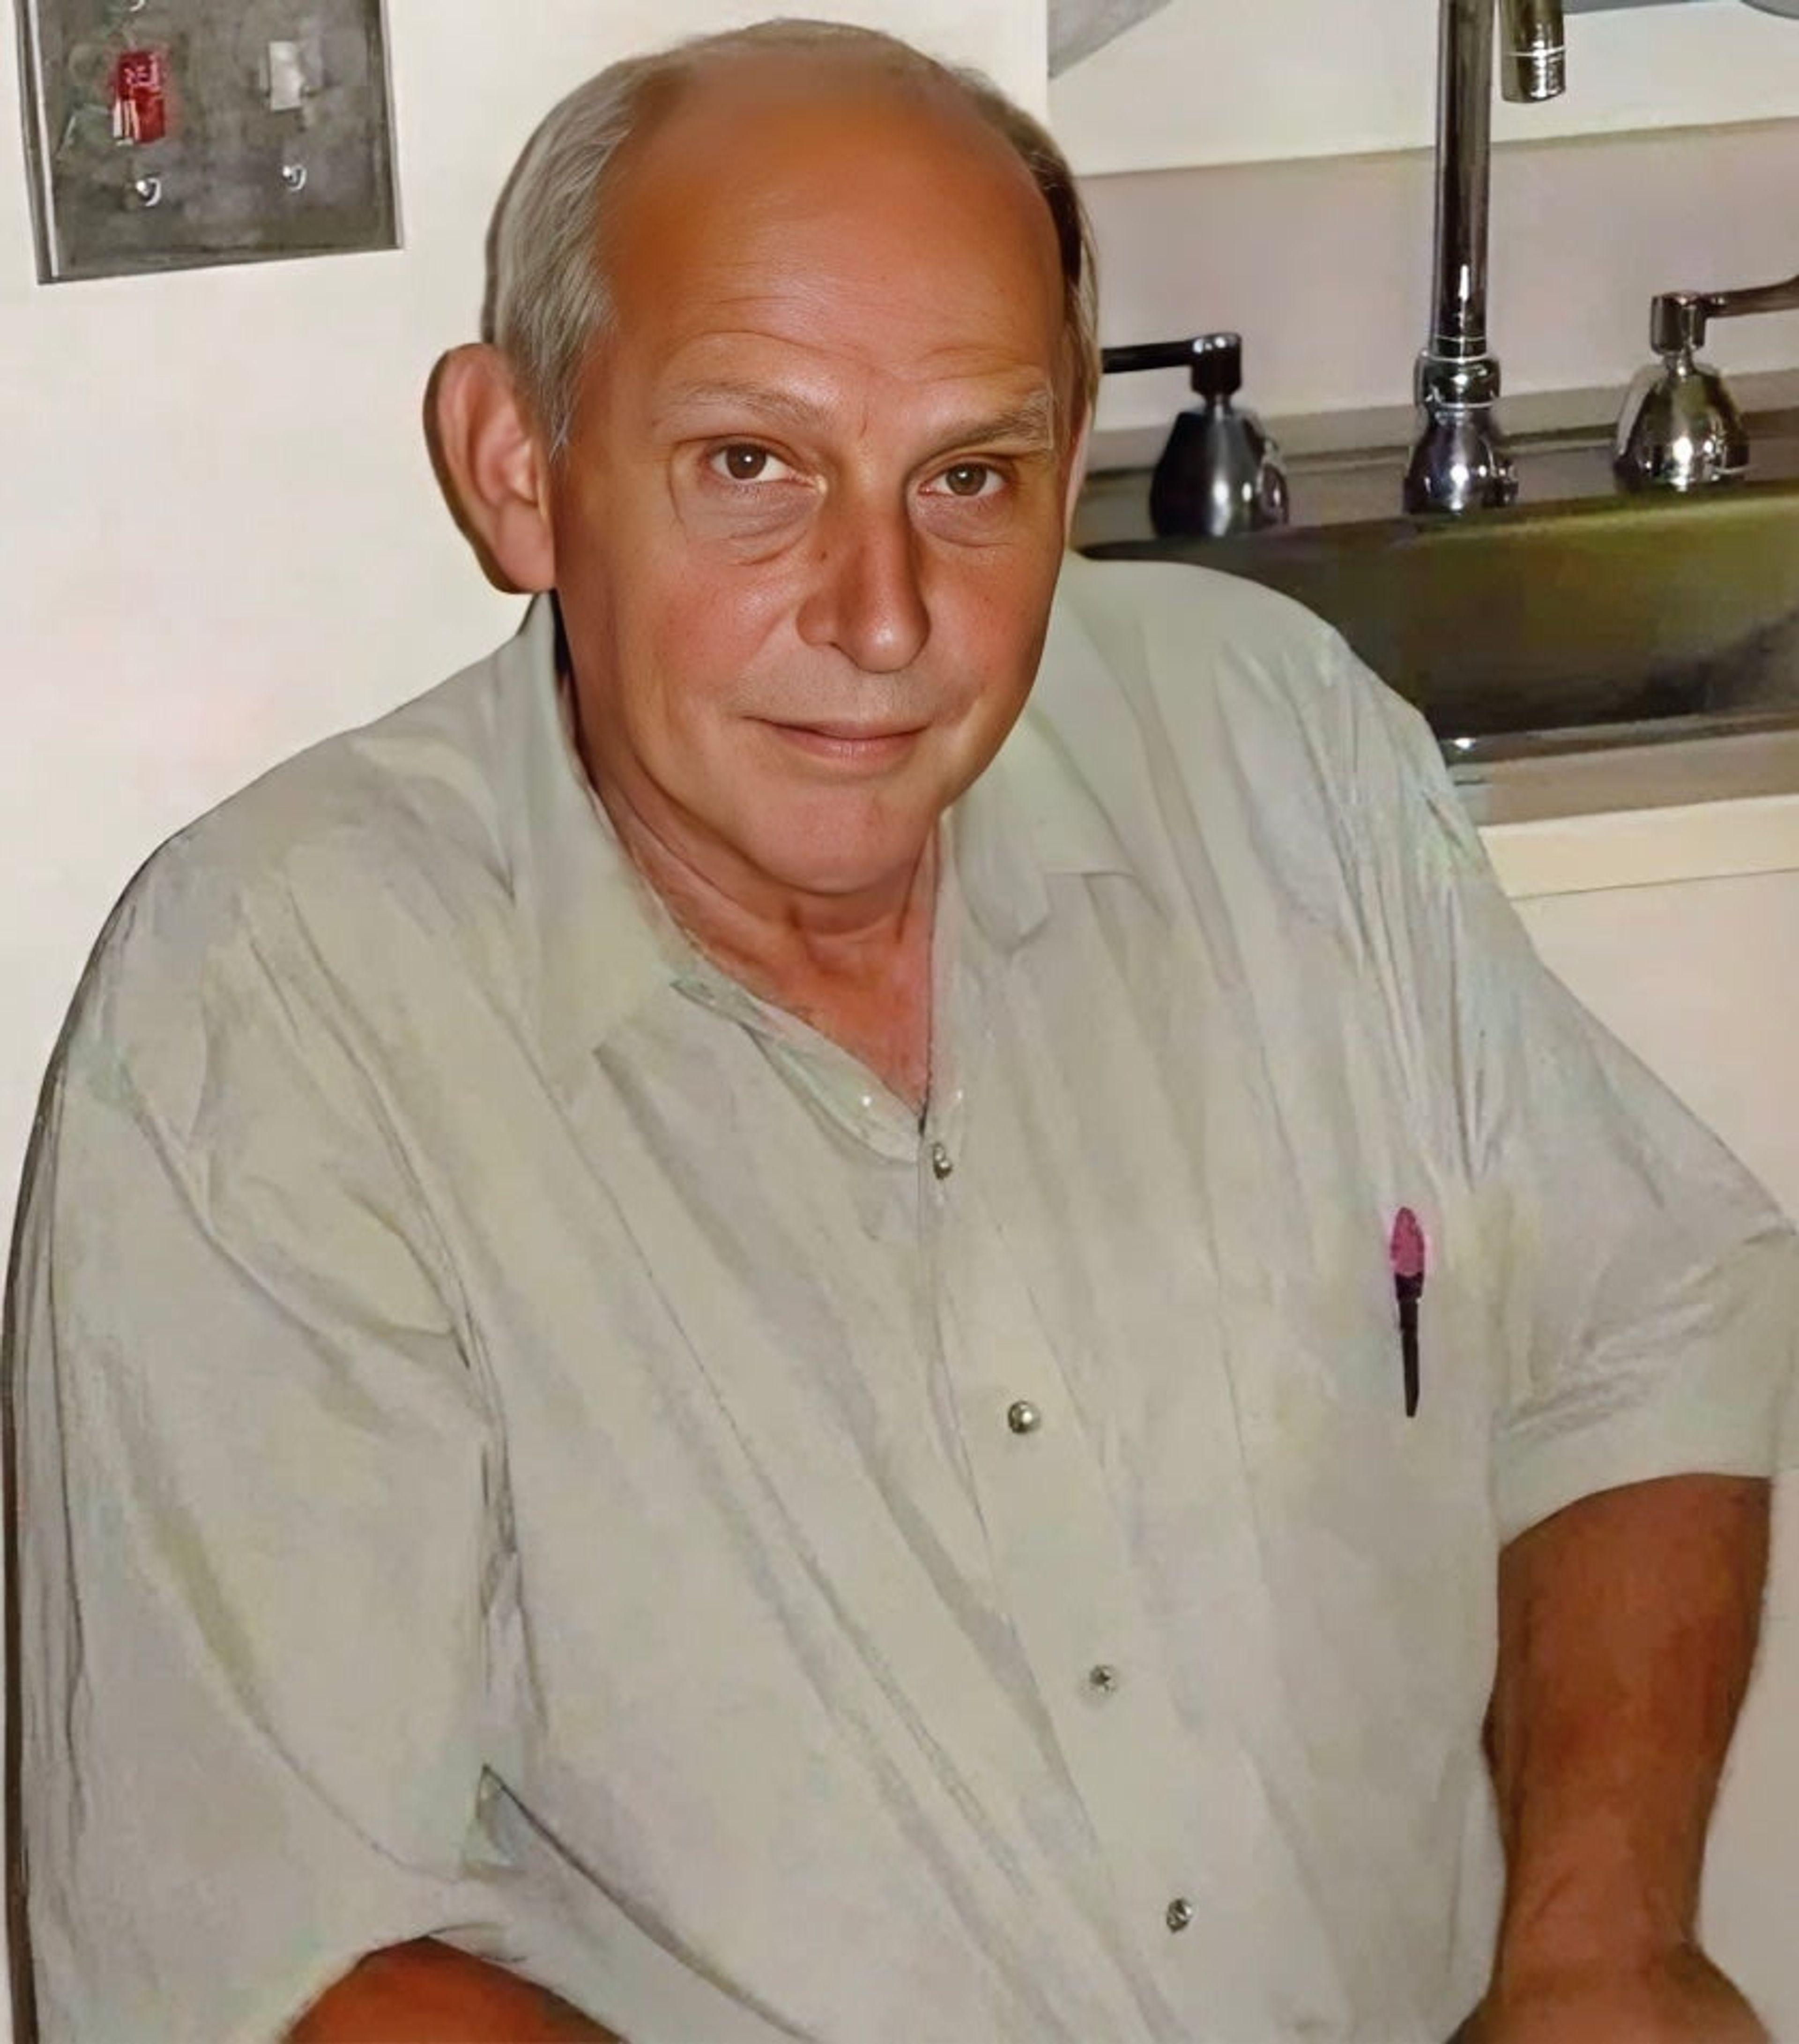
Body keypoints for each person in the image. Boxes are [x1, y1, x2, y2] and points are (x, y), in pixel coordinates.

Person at [6, 19, 1794, 2044]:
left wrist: (1598, 1943)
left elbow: (1634, 1322)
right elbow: (282, 1963)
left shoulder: (1274, 745)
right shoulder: (276, 1010)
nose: (881, 614)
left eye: (970, 477)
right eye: (751, 467)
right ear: (519, 469)